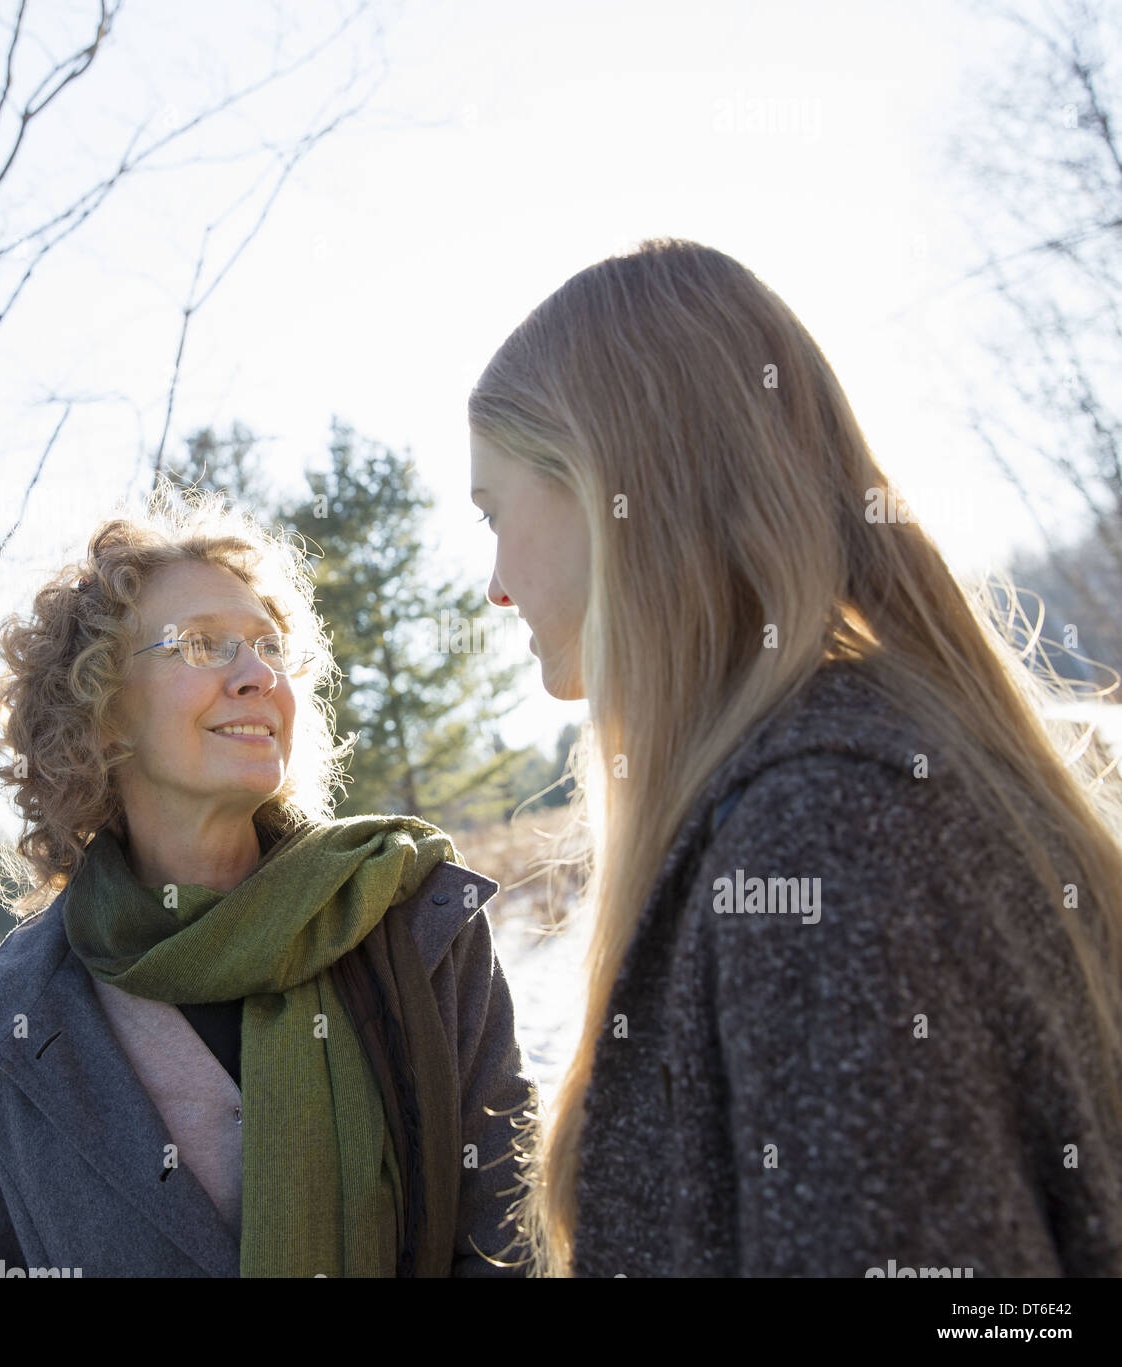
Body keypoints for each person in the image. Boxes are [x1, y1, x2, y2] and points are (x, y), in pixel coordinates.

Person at [467, 236, 1122, 1277]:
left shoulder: (824, 834)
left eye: (493, 511)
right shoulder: (862, 781)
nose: (493, 583)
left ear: (614, 486)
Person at [0, 490, 536, 1277]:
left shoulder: (412, 918)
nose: (257, 676)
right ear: (100, 712)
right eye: (204, 645)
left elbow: (513, 1241)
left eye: (270, 648)